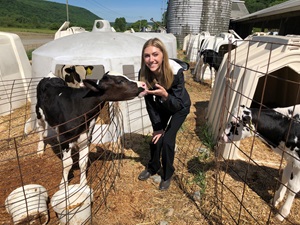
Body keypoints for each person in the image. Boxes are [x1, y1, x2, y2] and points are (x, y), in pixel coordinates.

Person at [138, 38, 191, 191]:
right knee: (156, 138)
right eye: (147, 55)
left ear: (163, 55)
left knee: (168, 140)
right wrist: (157, 126)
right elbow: (149, 103)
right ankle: (153, 167)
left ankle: (167, 174)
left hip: (179, 107)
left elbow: (178, 104)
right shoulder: (143, 73)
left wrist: (165, 95)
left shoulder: (175, 72)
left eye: (155, 54)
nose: (151, 59)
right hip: (162, 106)